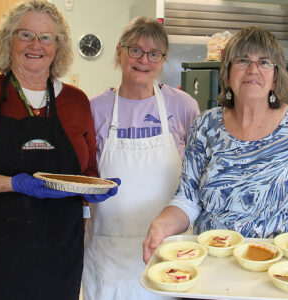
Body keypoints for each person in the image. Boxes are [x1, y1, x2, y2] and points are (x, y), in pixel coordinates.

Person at [0, 1, 118, 299]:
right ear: (9, 41)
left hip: (57, 252)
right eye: (25, 35)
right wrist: (13, 183)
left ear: (58, 47)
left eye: (46, 37)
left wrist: (93, 188)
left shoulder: (76, 102)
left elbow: (86, 170)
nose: (36, 45)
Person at [143, 26, 288, 273]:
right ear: (227, 73)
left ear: (276, 75)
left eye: (264, 62)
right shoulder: (206, 126)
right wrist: (161, 224)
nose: (253, 69)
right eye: (243, 60)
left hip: (281, 270)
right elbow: (189, 198)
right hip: (214, 267)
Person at [82, 16, 200, 300]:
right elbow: (83, 173)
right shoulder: (95, 108)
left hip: (171, 251)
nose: (143, 60)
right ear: (119, 52)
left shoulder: (183, 106)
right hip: (109, 252)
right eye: (135, 50)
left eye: (154, 53)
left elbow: (198, 176)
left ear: (163, 59)